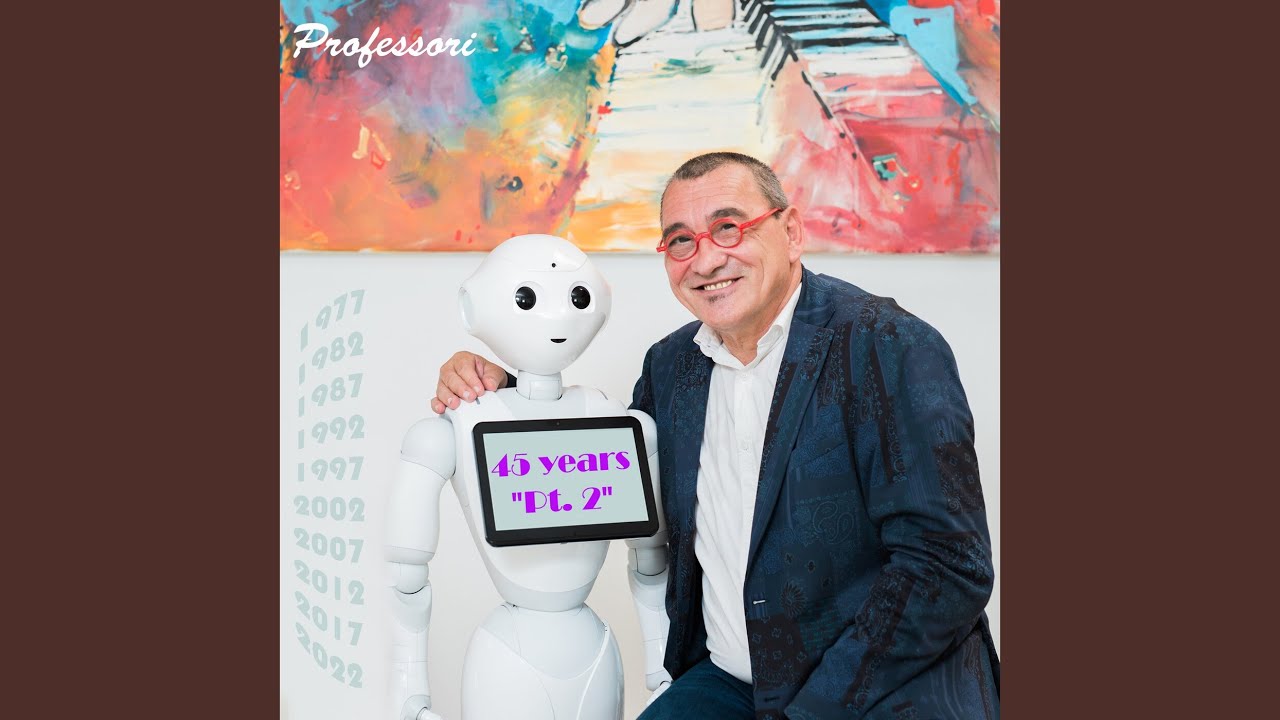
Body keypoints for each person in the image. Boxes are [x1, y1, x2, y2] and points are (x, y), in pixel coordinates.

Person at [431, 152, 999, 719]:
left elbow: (949, 564)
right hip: (730, 682)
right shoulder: (671, 366)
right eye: (681, 240)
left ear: (791, 232)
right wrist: (508, 388)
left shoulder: (889, 345)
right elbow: (607, 469)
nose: (705, 260)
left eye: (728, 227)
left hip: (881, 689)